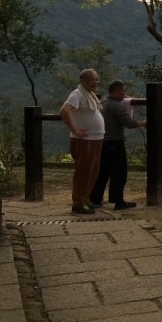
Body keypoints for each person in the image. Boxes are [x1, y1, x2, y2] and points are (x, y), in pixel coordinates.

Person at [90, 80, 147, 211]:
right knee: (119, 173)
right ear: (116, 91)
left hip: (103, 141)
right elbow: (128, 122)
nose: (124, 94)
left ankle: (95, 198)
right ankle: (118, 201)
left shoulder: (103, 102)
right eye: (123, 91)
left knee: (103, 172)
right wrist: (143, 123)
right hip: (115, 142)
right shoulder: (116, 106)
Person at [59, 69, 105, 214]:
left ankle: (85, 198)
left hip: (95, 138)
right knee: (83, 172)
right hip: (84, 140)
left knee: (93, 171)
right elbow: (64, 110)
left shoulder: (90, 95)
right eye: (92, 79)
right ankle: (78, 202)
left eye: (97, 79)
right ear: (83, 80)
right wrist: (75, 129)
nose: (95, 82)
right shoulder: (77, 94)